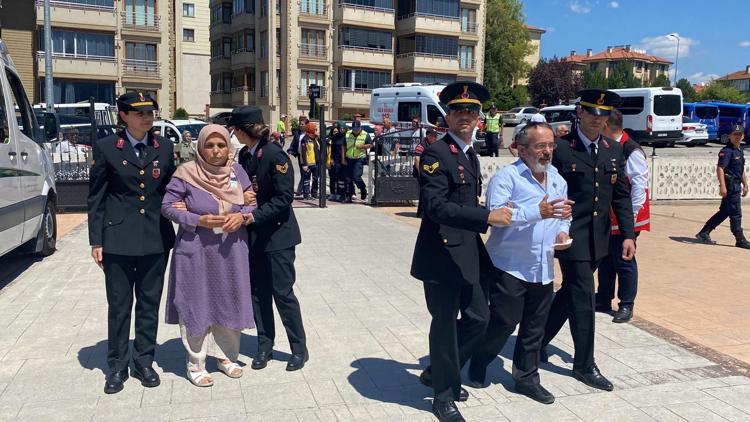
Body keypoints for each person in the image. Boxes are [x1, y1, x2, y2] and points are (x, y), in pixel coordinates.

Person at [411, 81, 512, 422]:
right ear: (448, 116)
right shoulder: (436, 154)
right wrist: (486, 217)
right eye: (458, 110)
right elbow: (435, 207)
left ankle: (441, 371)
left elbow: (464, 202)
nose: (465, 115)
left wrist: (486, 213)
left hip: (467, 251)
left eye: (471, 110)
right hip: (441, 255)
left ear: (480, 117)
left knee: (479, 319)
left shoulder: (469, 153)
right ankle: (442, 396)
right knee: (444, 325)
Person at [468, 122, 573, 405]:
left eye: (550, 145)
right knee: (503, 322)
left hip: (542, 266)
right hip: (509, 265)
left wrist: (563, 231)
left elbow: (564, 215)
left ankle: (526, 378)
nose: (547, 151)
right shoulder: (507, 178)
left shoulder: (557, 179)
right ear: (522, 149)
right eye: (540, 146)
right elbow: (496, 217)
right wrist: (536, 212)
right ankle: (480, 358)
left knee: (535, 327)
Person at [539, 89, 636, 392]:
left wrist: (628, 235)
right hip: (570, 235)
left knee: (570, 291)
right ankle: (584, 364)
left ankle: (536, 340)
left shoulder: (613, 149)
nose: (597, 119)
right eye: (592, 112)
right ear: (580, 112)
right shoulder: (561, 148)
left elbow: (621, 196)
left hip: (599, 237)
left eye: (603, 114)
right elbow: (544, 188)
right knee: (584, 295)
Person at [87, 92, 176, 394]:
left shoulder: (164, 147)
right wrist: (96, 241)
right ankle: (116, 366)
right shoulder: (107, 147)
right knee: (120, 306)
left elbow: (173, 189)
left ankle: (144, 362)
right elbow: (96, 197)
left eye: (150, 112)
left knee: (149, 303)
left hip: (156, 238)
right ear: (123, 116)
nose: (147, 118)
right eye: (139, 113)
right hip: (118, 240)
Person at [162, 125, 255, 387]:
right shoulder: (186, 173)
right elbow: (167, 206)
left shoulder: (237, 172)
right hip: (196, 248)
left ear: (229, 147)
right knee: (195, 301)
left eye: (221, 145)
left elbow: (251, 202)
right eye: (209, 145)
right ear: (200, 148)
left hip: (231, 248)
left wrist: (242, 216)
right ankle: (196, 363)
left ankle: (226, 356)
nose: (215, 151)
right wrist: (196, 219)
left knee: (229, 298)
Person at [229, 106, 308, 371]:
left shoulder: (275, 155)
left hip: (277, 236)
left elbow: (284, 198)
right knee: (258, 293)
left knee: (282, 293)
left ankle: (299, 349)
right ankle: (265, 346)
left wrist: (253, 216)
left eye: (235, 130)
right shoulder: (244, 155)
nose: (233, 135)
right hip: (254, 238)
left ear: (243, 131)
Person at [595, 110, 650, 323]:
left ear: (606, 125)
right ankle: (603, 297)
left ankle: (626, 304)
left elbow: (639, 186)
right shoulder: (607, 145)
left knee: (624, 258)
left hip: (625, 216)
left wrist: (630, 219)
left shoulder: (630, 149)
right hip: (608, 215)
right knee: (606, 257)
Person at [696, 123, 750, 249]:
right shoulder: (727, 151)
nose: (737, 136)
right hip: (731, 187)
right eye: (735, 134)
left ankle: (704, 232)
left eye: (740, 134)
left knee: (725, 211)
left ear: (743, 136)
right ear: (730, 136)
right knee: (735, 213)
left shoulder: (739, 151)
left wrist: (745, 184)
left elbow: (740, 170)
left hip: (736, 185)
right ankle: (740, 239)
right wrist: (723, 186)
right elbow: (720, 168)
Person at [343, 120, 372, 203]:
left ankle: (362, 188)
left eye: (357, 128)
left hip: (359, 158)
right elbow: (344, 146)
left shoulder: (365, 134)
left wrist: (362, 146)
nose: (355, 130)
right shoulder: (347, 134)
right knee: (348, 178)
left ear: (360, 128)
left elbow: (370, 144)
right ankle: (348, 196)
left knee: (356, 177)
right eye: (354, 128)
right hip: (349, 158)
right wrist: (343, 158)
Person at [414, 128, 439, 217]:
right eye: (433, 136)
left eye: (436, 136)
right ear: (428, 136)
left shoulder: (434, 145)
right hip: (422, 172)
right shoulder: (421, 146)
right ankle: (421, 213)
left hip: (431, 172)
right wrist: (420, 172)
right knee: (424, 192)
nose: (435, 138)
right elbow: (417, 159)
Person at [287, 115, 309, 196]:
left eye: (302, 124)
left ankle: (300, 189)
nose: (301, 125)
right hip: (300, 156)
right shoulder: (297, 134)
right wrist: (290, 151)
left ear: (306, 125)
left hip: (308, 156)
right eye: (300, 124)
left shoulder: (309, 134)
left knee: (305, 173)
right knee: (303, 173)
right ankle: (304, 190)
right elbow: (294, 144)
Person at [299, 122, 321, 199]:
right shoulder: (305, 139)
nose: (316, 130)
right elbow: (303, 152)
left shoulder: (315, 138)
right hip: (308, 163)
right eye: (315, 129)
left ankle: (314, 193)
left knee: (315, 179)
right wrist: (304, 164)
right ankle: (306, 194)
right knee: (307, 180)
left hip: (316, 163)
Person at [327, 120, 347, 202]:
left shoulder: (347, 136)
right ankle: (333, 193)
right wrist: (331, 158)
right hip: (336, 160)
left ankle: (341, 194)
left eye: (343, 128)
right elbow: (333, 149)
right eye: (340, 128)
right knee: (333, 177)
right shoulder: (335, 137)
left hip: (344, 161)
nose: (342, 130)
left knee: (341, 178)